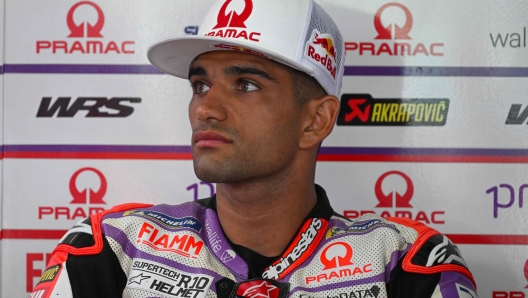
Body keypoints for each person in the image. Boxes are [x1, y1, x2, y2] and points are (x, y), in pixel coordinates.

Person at [30, 0, 477, 297]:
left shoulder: (405, 262)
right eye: (200, 84)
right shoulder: (111, 248)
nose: (207, 108)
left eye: (245, 84)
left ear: (315, 120)